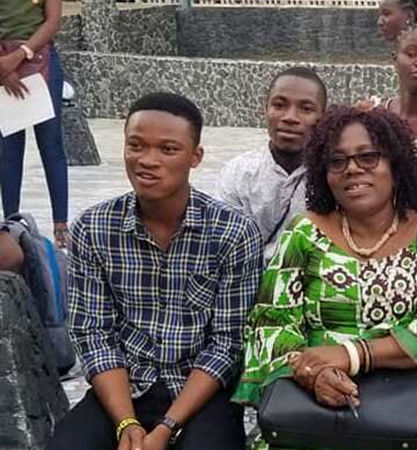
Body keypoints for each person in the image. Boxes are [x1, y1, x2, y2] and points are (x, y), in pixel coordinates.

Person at [232, 106, 417, 449]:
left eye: (368, 157)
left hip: (402, 418)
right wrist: (314, 372)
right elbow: (270, 325)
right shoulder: (303, 233)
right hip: (306, 413)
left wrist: (351, 355)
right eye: (338, 160)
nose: (352, 169)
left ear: (395, 164)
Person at [48, 92, 263, 450]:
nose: (147, 161)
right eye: (136, 145)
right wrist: (126, 423)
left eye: (168, 149)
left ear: (195, 157)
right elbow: (94, 334)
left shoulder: (233, 232)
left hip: (200, 392)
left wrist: (166, 428)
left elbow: (227, 343)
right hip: (123, 388)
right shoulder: (94, 227)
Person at [217, 67, 327, 260]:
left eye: (306, 109)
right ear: (265, 110)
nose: (290, 117)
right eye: (279, 105)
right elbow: (222, 242)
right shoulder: (238, 173)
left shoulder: (332, 176)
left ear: (323, 117)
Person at [0, 0, 69, 247]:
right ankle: (10, 224)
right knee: (8, 149)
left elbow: (53, 21)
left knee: (51, 146)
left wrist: (19, 55)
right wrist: (4, 68)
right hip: (2, 65)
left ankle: (61, 224)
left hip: (41, 61)